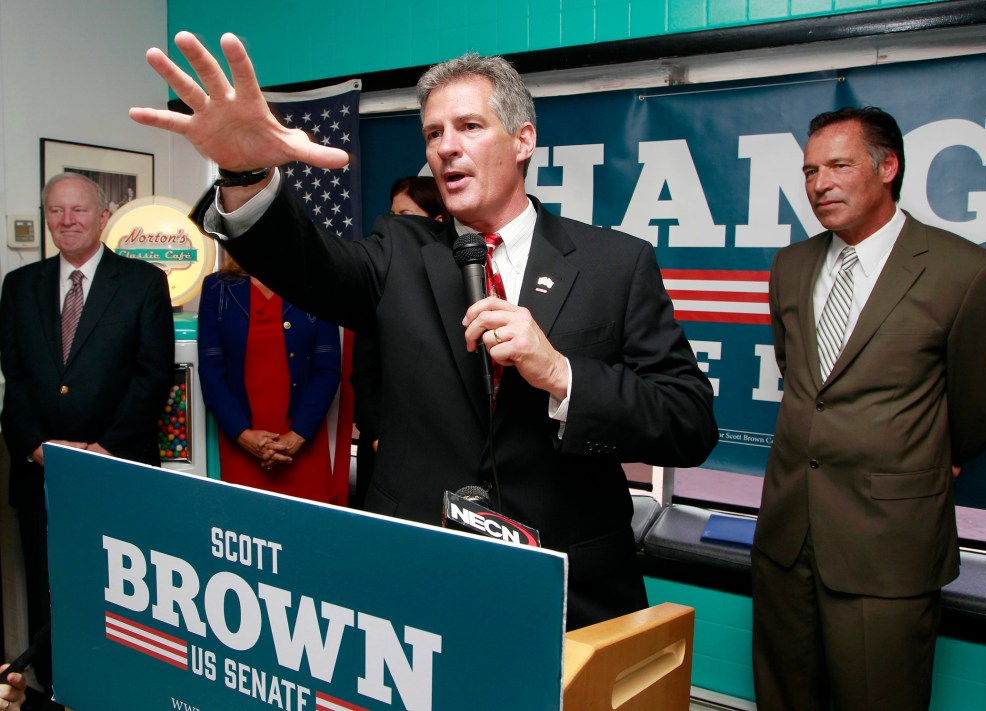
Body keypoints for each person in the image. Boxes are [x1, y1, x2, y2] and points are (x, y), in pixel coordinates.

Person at [131, 32, 718, 630]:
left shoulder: (615, 264)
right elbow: (305, 263)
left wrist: (564, 376)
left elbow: (689, 423)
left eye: (468, 127)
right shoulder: (399, 252)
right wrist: (244, 169)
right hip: (420, 580)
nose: (446, 149)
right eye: (434, 134)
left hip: (571, 590)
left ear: (523, 141)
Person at [753, 106, 986, 710]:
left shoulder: (965, 273)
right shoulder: (791, 265)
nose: (820, 185)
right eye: (810, 171)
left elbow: (980, 407)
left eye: (838, 166)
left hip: (888, 545)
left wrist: (932, 452)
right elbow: (805, 377)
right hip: (788, 537)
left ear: (888, 167)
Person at [0, 172, 175, 704]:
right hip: (41, 475)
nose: (67, 221)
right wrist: (38, 448)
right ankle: (53, 685)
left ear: (103, 217)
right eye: (56, 211)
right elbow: (17, 379)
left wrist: (105, 452)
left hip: (117, 470)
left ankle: (119, 686)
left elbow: (153, 377)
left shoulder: (143, 283)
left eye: (78, 210)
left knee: (120, 589)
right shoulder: (19, 285)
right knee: (49, 589)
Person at [198, 248, 343, 503]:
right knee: (244, 529)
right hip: (240, 445)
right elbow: (211, 372)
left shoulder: (316, 284)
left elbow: (328, 370)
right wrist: (243, 435)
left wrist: (296, 436)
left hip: (302, 443)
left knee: (307, 532)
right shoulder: (216, 288)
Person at [351, 176, 448, 507]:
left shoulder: (466, 276)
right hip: (385, 453)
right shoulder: (380, 279)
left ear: (438, 221)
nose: (393, 225)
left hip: (444, 455)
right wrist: (378, 436)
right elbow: (364, 372)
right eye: (391, 215)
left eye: (404, 215)